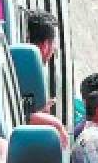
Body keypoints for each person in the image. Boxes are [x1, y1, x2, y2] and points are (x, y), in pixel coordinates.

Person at [25, 11, 67, 146]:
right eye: (54, 42)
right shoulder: (24, 71)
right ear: (45, 45)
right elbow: (20, 116)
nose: (54, 49)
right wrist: (56, 124)